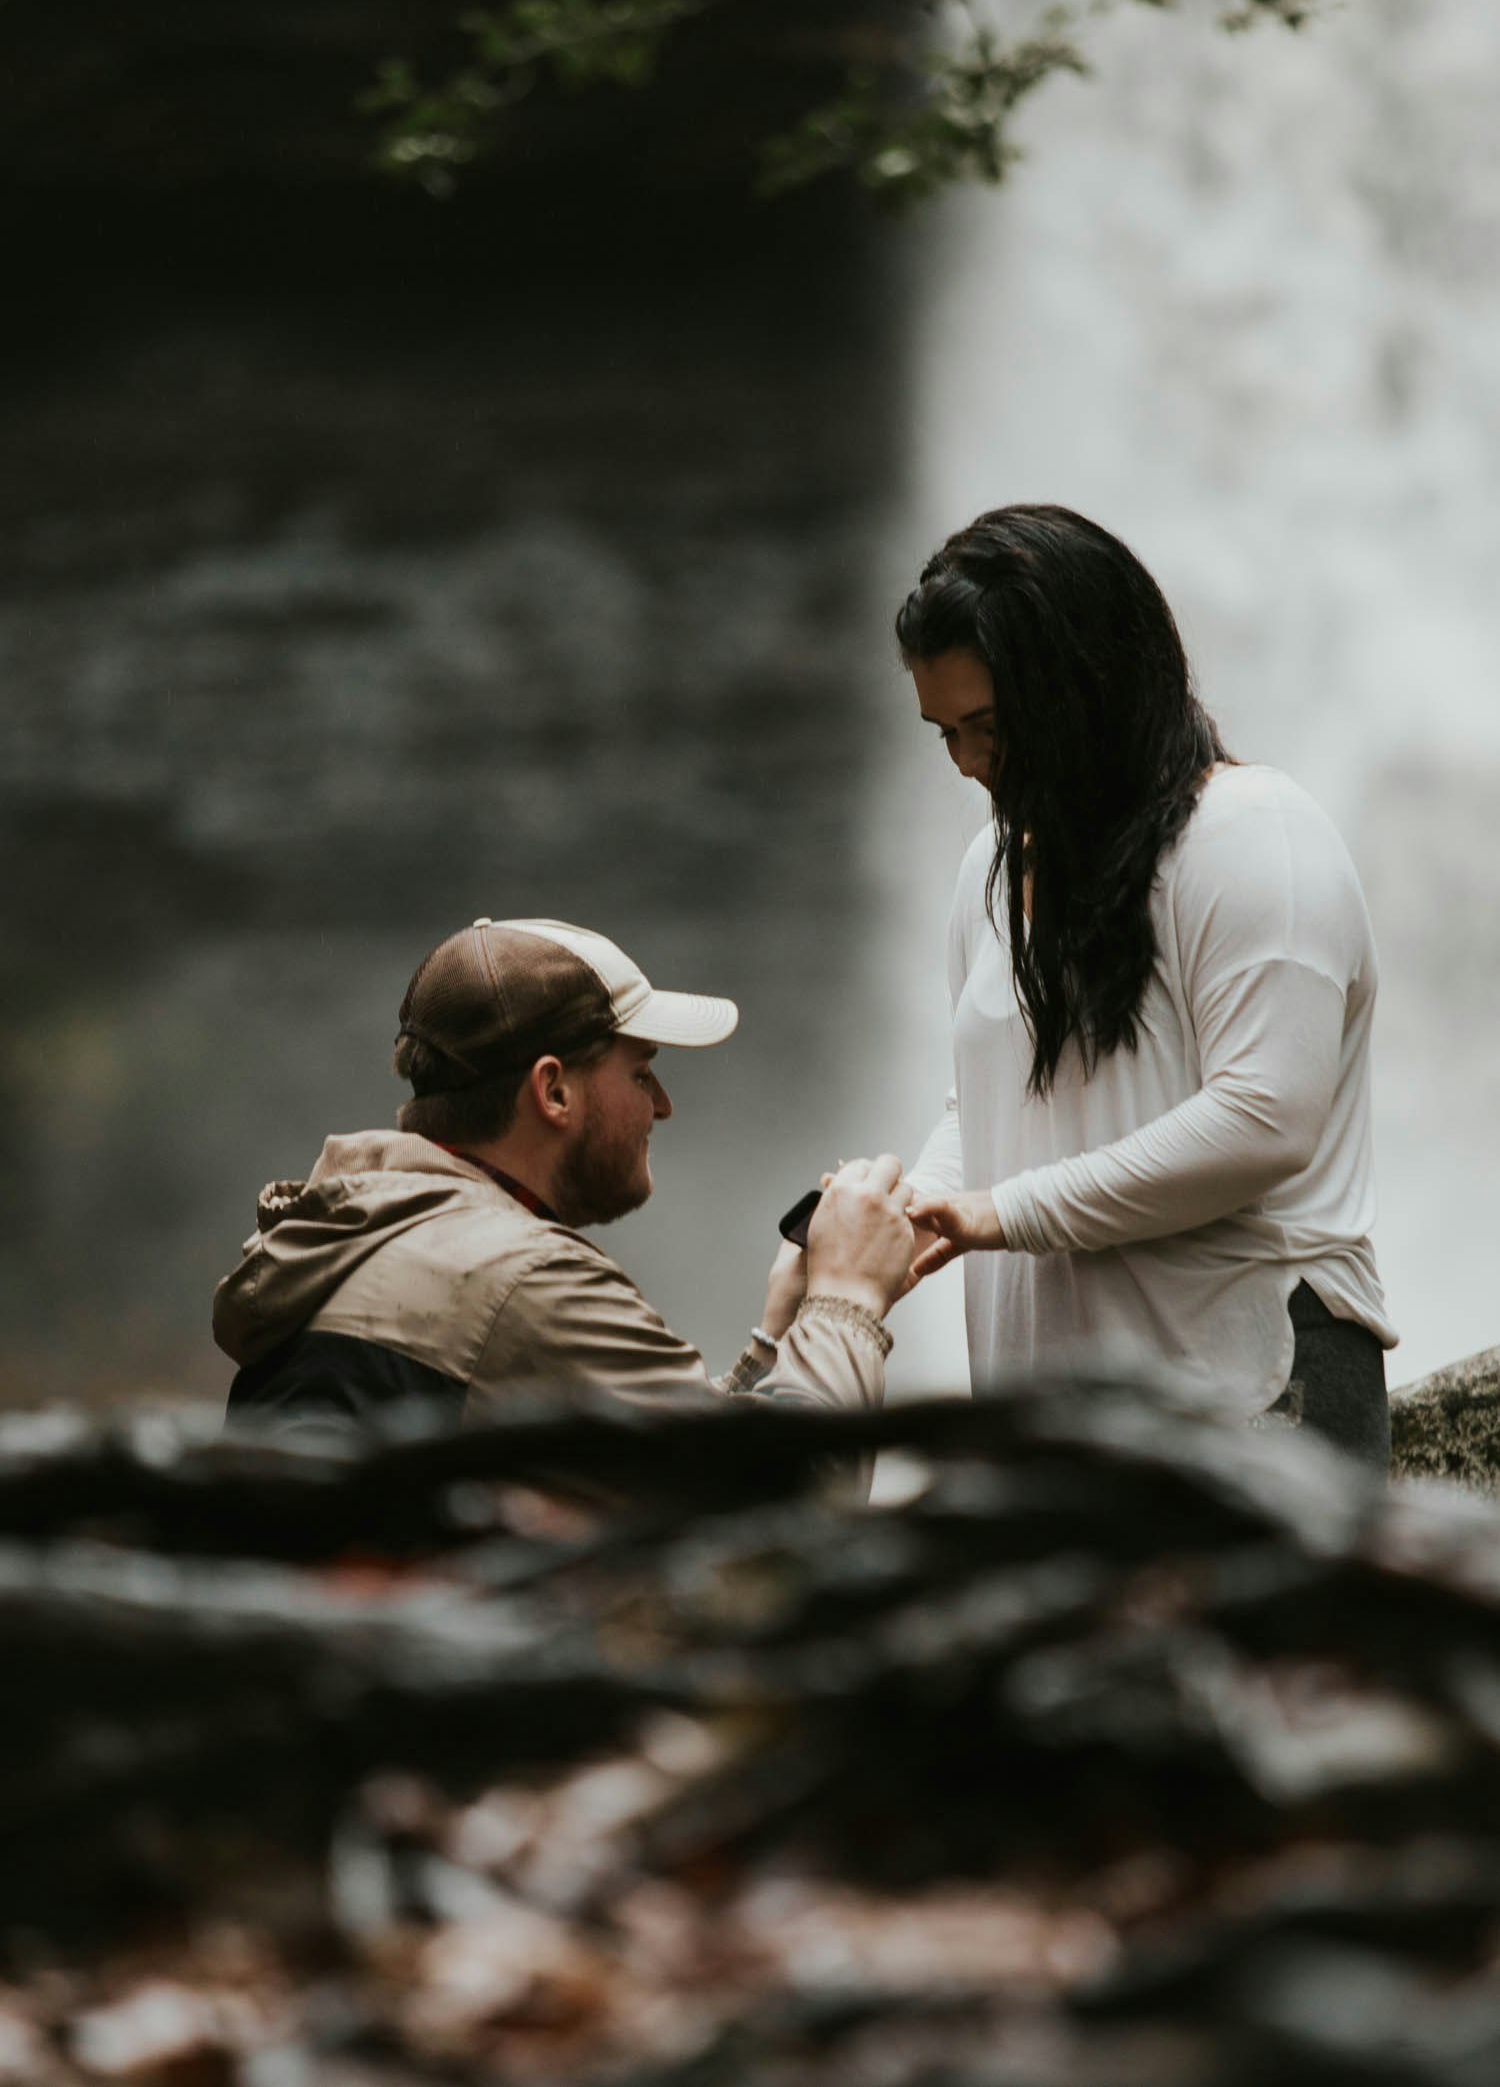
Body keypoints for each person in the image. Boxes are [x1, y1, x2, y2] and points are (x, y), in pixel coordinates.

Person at [898, 504, 1395, 1467]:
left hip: (1258, 1406)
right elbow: (990, 1103)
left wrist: (1001, 1215)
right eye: (945, 733)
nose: (968, 765)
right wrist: (905, 1212)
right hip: (1057, 1433)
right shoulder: (990, 870)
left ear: (1083, 688)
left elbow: (1263, 1119)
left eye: (990, 727)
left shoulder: (1253, 833)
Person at [215, 917, 914, 1483]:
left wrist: (777, 1340)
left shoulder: (357, 1239)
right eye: (641, 1073)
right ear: (553, 1090)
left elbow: (663, 1474)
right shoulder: (520, 1279)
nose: (663, 1107)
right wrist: (846, 1299)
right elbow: (794, 1503)